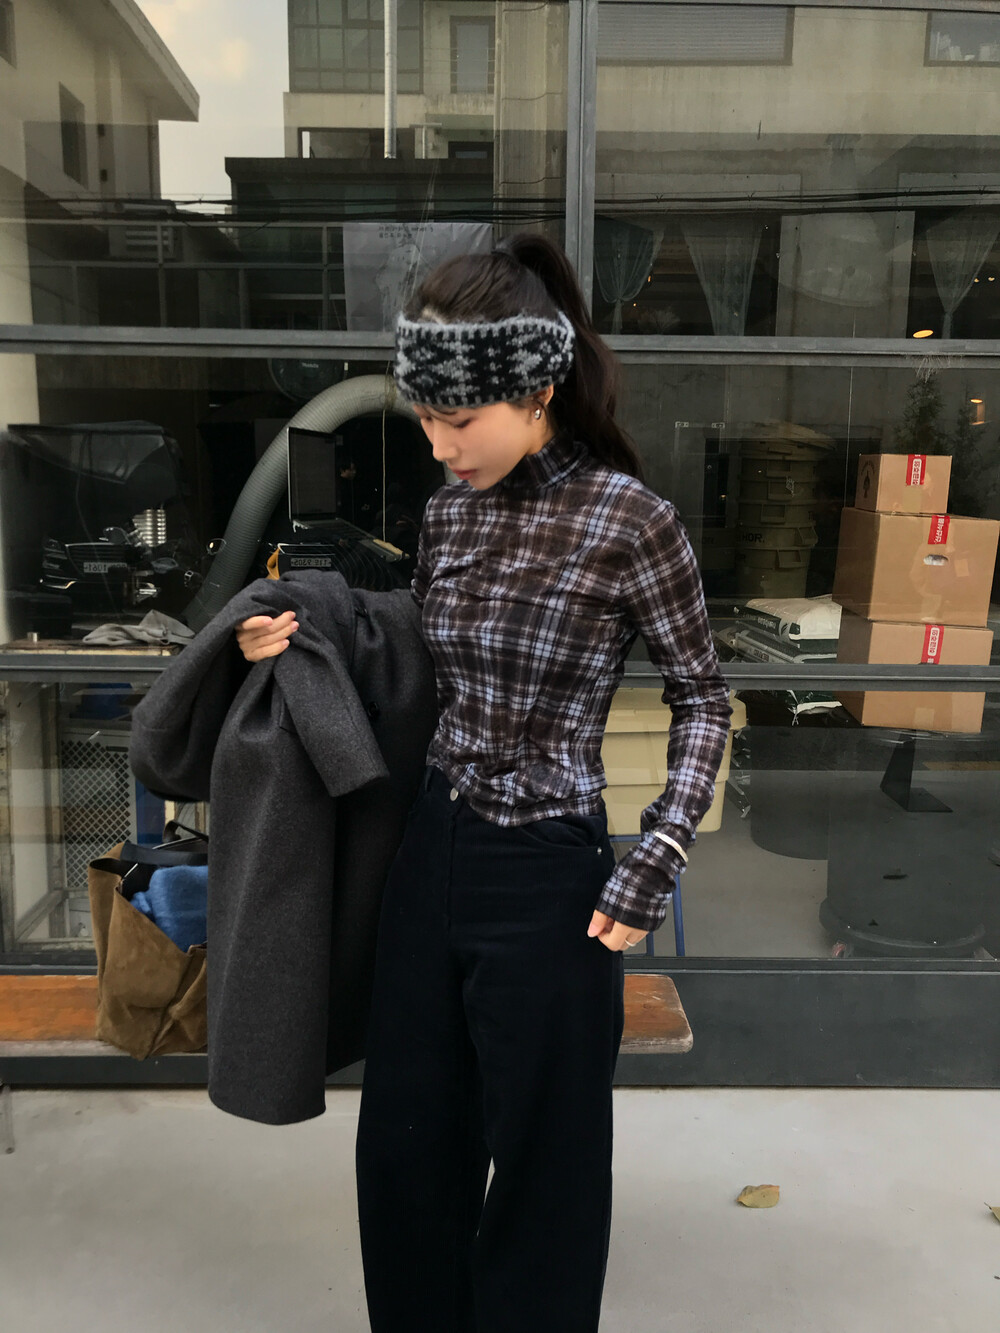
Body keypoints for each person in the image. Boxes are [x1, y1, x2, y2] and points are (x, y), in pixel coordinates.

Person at [235, 232, 732, 1333]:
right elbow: (418, 657)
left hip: (552, 879)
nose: (439, 444)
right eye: (424, 417)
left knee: (549, 1166)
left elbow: (704, 698)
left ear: (538, 388)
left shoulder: (629, 521)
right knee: (406, 1146)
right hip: (433, 851)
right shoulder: (449, 511)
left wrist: (657, 853)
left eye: (458, 419)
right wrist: (306, 634)